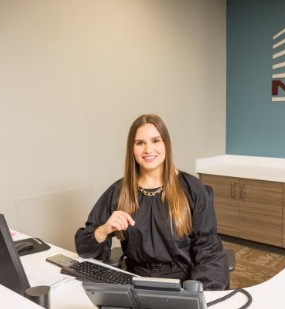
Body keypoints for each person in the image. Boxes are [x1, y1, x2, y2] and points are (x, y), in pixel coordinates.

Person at [75, 114, 228, 290]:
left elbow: (209, 252)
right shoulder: (119, 191)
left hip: (182, 284)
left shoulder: (192, 188)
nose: (148, 149)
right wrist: (104, 229)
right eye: (140, 143)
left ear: (166, 144)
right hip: (134, 282)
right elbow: (83, 248)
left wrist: (201, 294)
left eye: (155, 140)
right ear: (132, 149)